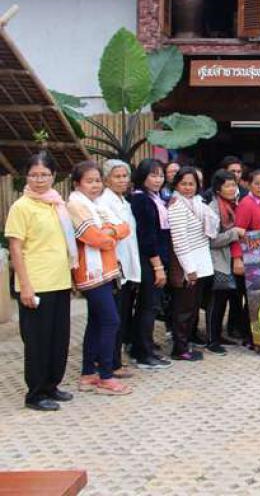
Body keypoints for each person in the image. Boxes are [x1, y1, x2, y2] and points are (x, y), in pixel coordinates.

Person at [5, 152, 78, 411]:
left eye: (44, 175)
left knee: (58, 339)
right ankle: (35, 394)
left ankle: (51, 386)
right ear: (26, 176)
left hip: (59, 281)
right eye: (34, 175)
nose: (39, 180)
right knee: (38, 341)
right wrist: (24, 285)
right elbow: (16, 248)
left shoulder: (56, 204)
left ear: (53, 176)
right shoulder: (21, 207)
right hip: (35, 284)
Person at [67, 161, 133, 395]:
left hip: (106, 270)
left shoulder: (96, 205)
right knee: (110, 321)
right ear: (77, 184)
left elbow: (125, 228)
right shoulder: (75, 205)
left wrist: (110, 232)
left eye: (97, 181)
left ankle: (88, 374)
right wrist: (111, 234)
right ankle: (105, 376)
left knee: (96, 322)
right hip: (91, 273)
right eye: (89, 181)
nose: (95, 185)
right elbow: (95, 238)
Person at [167, 166, 216, 362]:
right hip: (188, 266)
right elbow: (179, 241)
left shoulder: (197, 203)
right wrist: (190, 269)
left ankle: (185, 343)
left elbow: (213, 227)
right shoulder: (177, 206)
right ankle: (179, 349)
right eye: (184, 184)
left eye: (192, 184)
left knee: (193, 308)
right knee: (184, 310)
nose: (188, 187)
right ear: (176, 185)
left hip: (201, 262)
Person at [97, 159, 141, 377]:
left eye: (125, 176)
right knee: (113, 318)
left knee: (121, 315)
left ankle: (115, 360)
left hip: (127, 265)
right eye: (117, 176)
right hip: (114, 266)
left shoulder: (124, 201)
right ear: (106, 180)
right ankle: (111, 363)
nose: (122, 180)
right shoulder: (103, 202)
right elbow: (115, 231)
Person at [130, 159, 174, 370]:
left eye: (160, 175)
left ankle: (143, 347)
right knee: (148, 307)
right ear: (143, 177)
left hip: (157, 259)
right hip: (149, 261)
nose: (158, 180)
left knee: (151, 306)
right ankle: (143, 353)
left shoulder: (156, 198)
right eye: (153, 175)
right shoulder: (141, 200)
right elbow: (147, 237)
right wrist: (157, 266)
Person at [233, 169, 260, 348]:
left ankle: (257, 335)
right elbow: (238, 232)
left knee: (259, 297)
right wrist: (237, 258)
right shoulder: (247, 204)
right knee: (251, 299)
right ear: (249, 185)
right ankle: (249, 337)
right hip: (251, 260)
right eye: (256, 183)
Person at [206, 170, 246, 355]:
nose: (232, 189)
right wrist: (234, 233)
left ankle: (218, 335)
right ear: (218, 189)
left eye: (233, 185)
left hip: (229, 259)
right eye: (227, 186)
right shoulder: (214, 208)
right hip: (218, 260)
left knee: (225, 300)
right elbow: (212, 240)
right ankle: (212, 340)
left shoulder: (232, 205)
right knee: (216, 302)